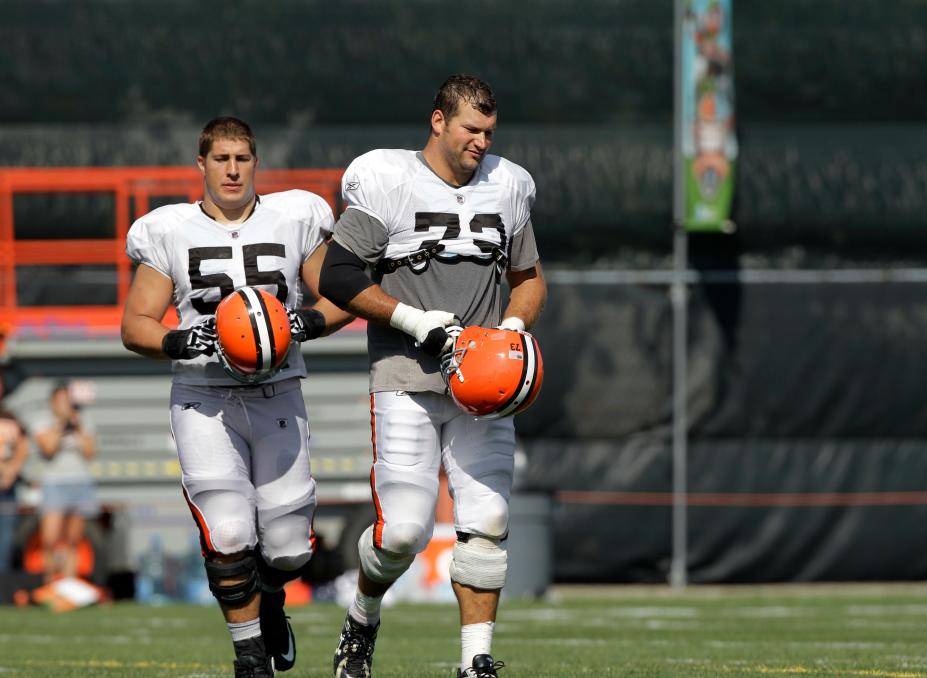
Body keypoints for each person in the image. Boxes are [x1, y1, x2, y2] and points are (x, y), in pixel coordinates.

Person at [319, 74, 548, 678]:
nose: (481, 142)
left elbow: (528, 280)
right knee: (403, 532)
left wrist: (513, 329)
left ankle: (476, 660)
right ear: (438, 121)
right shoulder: (388, 180)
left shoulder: (509, 185)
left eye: (489, 132)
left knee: (488, 520)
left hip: (483, 384)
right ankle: (363, 614)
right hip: (404, 372)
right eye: (471, 129)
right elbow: (338, 277)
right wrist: (416, 321)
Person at [120, 116, 353, 678]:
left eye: (241, 159)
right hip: (204, 394)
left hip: (277, 391)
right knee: (227, 532)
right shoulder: (170, 230)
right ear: (200, 164)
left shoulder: (294, 218)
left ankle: (271, 602)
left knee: (290, 548)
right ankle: (249, 656)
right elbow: (135, 324)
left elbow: (343, 297)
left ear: (255, 162)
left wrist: (306, 324)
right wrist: (177, 339)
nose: (231, 169)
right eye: (220, 159)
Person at [32, 381, 98, 583]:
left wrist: (76, 426)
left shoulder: (82, 421)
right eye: (61, 401)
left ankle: (68, 583)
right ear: (53, 402)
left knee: (73, 540)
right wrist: (61, 424)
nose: (65, 405)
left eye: (67, 400)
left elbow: (90, 452)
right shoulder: (42, 422)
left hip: (80, 482)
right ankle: (50, 581)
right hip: (54, 482)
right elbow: (48, 448)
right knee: (50, 540)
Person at [0, 370, 28, 574]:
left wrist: (11, 471)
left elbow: (22, 447)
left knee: (6, 536)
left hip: (6, 487)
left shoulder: (11, 417)